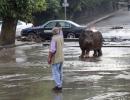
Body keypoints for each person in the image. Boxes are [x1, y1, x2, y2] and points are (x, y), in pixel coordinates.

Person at [48, 26, 64, 92]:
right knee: (60, 72)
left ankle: (58, 86)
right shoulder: (61, 37)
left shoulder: (54, 39)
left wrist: (49, 58)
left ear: (53, 32)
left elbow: (52, 50)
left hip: (56, 58)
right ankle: (59, 84)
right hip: (61, 57)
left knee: (55, 72)